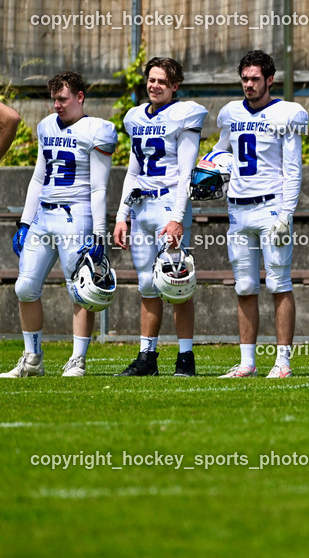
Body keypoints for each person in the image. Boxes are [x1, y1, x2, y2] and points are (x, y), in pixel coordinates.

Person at [2, 71, 117, 377]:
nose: (57, 105)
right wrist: (24, 222)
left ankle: (77, 359)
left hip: (75, 214)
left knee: (81, 289)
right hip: (44, 215)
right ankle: (32, 358)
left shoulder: (97, 130)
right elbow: (39, 177)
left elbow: (99, 188)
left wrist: (98, 232)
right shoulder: (45, 126)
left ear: (80, 97)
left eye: (63, 98)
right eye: (53, 99)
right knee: (25, 287)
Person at [215, 50, 308, 378]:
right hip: (238, 209)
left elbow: (293, 167)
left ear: (270, 79)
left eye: (255, 79)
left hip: (271, 208)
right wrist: (211, 165)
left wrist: (287, 213)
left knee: (280, 283)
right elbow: (220, 149)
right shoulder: (229, 113)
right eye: (245, 79)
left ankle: (282, 361)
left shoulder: (286, 113)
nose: (249, 85)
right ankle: (247, 362)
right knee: (244, 286)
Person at [111, 57, 207, 377]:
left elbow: (185, 173)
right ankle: (147, 357)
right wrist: (122, 214)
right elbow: (133, 170)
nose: (154, 86)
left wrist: (178, 217)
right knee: (147, 284)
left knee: (177, 281)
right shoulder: (136, 116)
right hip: (141, 207)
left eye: (162, 82)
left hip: (169, 205)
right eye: (151, 80)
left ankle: (185, 357)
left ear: (175, 86)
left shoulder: (184, 114)